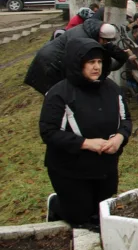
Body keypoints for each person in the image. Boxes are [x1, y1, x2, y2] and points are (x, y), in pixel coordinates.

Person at [39, 37, 132, 228]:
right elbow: (48, 132)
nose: (96, 67)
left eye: (99, 62)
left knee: (101, 215)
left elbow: (126, 120)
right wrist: (86, 143)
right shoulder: (59, 94)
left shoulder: (112, 89)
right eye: (90, 62)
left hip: (105, 164)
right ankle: (57, 204)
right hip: (70, 168)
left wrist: (120, 138)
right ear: (77, 63)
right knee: (80, 219)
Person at [25, 18, 132, 96]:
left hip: (53, 58)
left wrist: (121, 54)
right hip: (51, 63)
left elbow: (106, 47)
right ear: (100, 36)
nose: (107, 43)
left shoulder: (92, 31)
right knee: (58, 94)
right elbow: (76, 65)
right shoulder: (81, 40)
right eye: (105, 40)